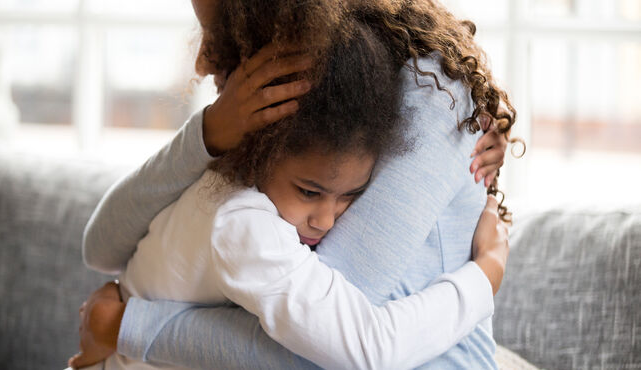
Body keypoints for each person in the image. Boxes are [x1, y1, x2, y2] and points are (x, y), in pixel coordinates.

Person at [71, 0, 515, 368]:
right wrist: (206, 133)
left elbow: (331, 353)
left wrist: (129, 326)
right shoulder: (286, 106)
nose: (202, 61)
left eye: (217, 31)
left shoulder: (433, 90)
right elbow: (100, 248)